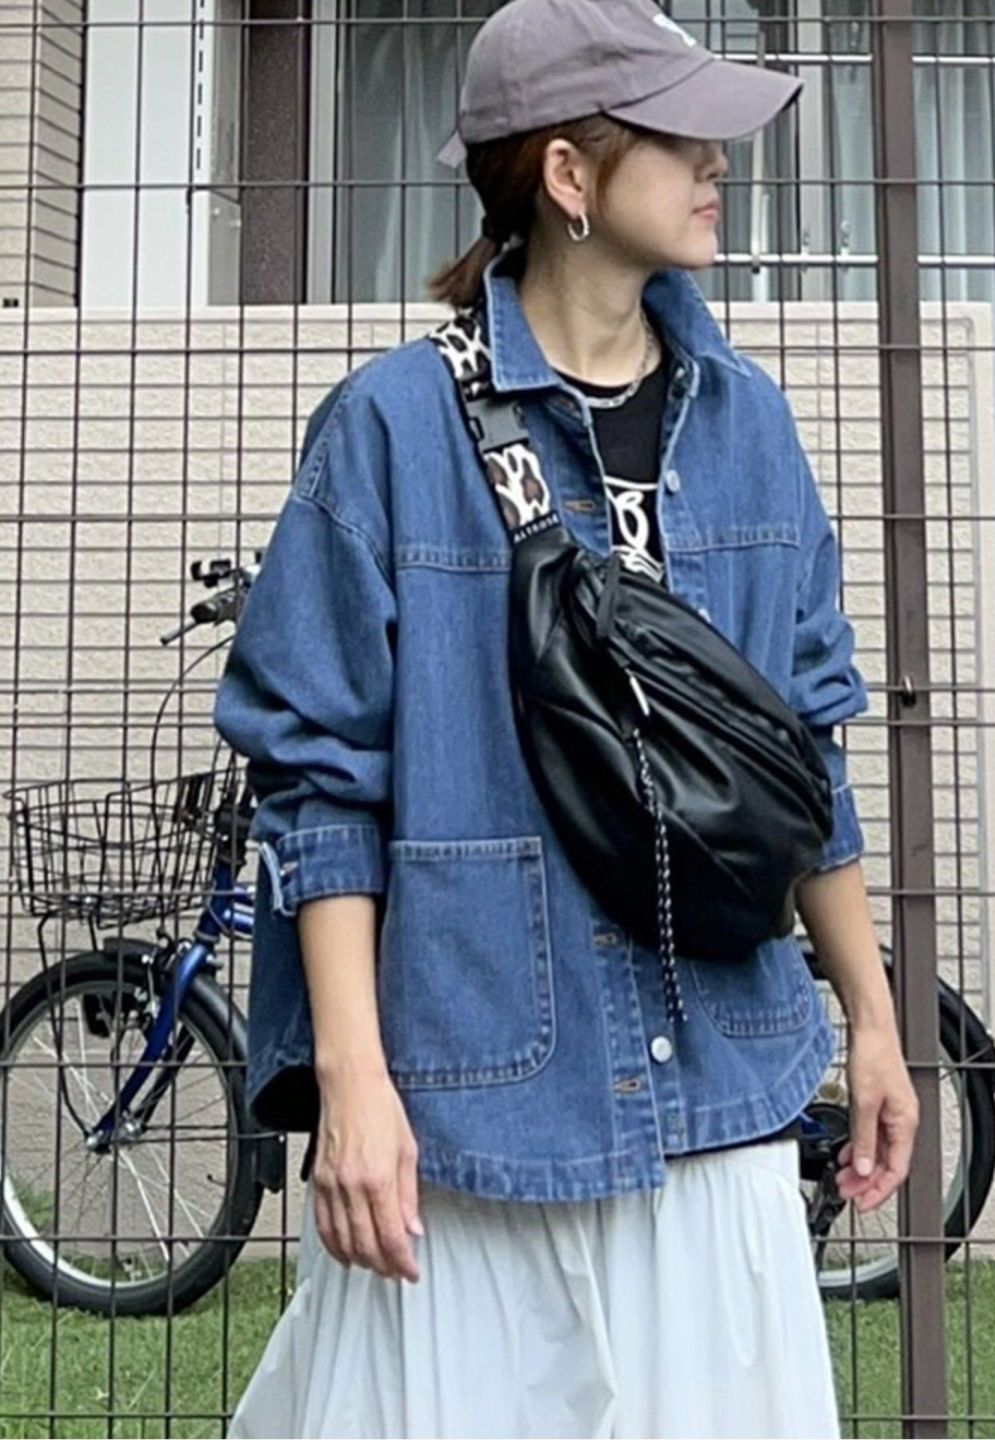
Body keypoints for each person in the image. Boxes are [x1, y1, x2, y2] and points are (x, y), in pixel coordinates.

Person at [215, 0, 919, 1434]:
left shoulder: (750, 426)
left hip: (723, 1090)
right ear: (568, 175)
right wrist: (353, 1082)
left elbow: (805, 749)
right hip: (468, 1118)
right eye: (680, 134)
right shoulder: (391, 430)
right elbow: (320, 784)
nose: (719, 163)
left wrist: (874, 1017)